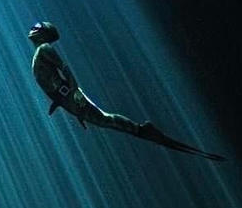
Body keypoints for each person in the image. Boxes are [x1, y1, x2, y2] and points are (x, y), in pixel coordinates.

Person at [27, 21, 225, 159]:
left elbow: (65, 70)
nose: (33, 29)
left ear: (44, 33)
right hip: (66, 98)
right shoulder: (40, 51)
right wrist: (67, 105)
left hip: (69, 95)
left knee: (104, 119)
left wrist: (75, 92)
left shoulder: (44, 49)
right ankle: (140, 130)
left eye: (38, 27)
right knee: (103, 120)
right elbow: (53, 79)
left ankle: (141, 130)